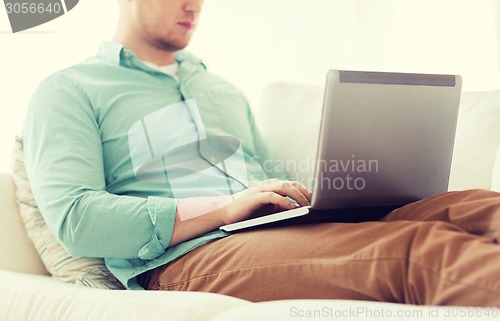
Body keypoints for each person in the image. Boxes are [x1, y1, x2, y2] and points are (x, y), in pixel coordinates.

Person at [22, 0, 500, 306]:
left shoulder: (221, 90)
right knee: (416, 254)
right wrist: (223, 209)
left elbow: (265, 176)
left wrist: (320, 195)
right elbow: (78, 220)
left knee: (476, 206)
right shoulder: (68, 89)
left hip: (272, 230)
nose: (195, 5)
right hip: (187, 258)